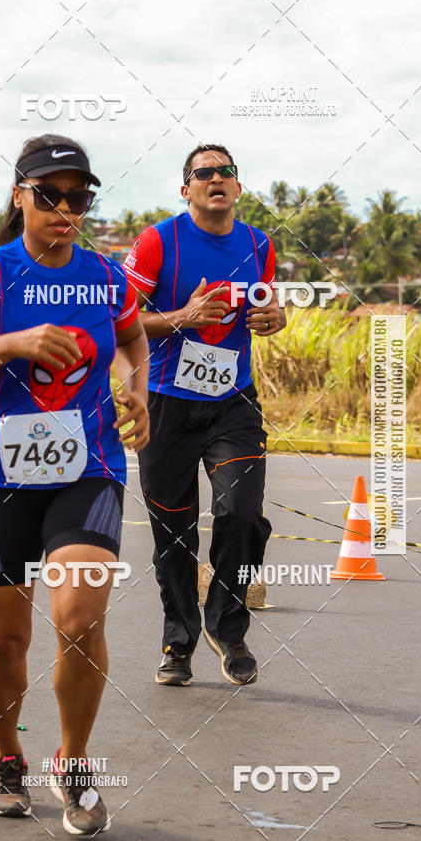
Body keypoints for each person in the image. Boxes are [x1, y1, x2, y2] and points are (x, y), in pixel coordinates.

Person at [0, 134, 150, 836]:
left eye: (79, 197)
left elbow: (134, 338)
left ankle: (73, 768)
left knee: (79, 622)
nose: (65, 208)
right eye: (49, 194)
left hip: (91, 468)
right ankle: (5, 755)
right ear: (19, 195)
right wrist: (7, 345)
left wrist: (137, 389)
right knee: (4, 643)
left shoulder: (107, 277)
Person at [122, 143, 285, 687]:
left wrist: (273, 316)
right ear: (186, 188)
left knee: (241, 513)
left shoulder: (259, 244)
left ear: (238, 186)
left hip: (232, 401)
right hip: (167, 402)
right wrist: (183, 316)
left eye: (226, 172)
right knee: (174, 533)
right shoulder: (157, 242)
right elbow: (119, 323)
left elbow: (265, 306)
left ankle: (228, 627)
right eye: (203, 173)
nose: (216, 178)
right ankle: (179, 640)